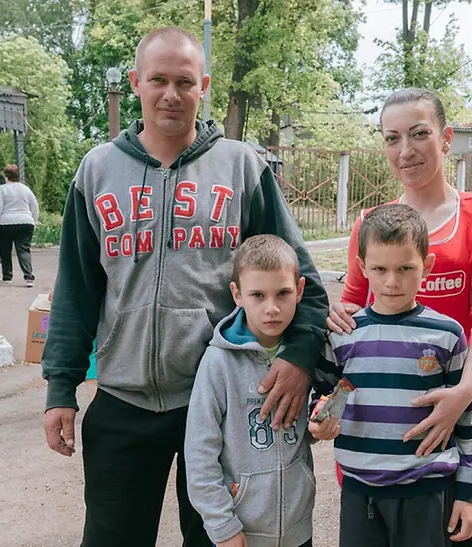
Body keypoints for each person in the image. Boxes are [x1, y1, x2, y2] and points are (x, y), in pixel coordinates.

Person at [40, 26, 328, 547]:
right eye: (158, 80)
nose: (171, 93)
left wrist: (302, 354)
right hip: (124, 404)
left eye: (184, 81)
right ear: (136, 82)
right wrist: (61, 387)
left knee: (225, 539)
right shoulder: (97, 170)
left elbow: (299, 278)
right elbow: (76, 291)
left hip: (222, 398)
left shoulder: (243, 168)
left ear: (204, 86)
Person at [327, 88, 472, 547]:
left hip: (459, 409)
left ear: (446, 138)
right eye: (392, 139)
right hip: (381, 428)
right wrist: (330, 314)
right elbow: (351, 306)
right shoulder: (371, 223)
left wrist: (463, 391)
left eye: (419, 134)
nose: (405, 151)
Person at [311, 204, 472, 546]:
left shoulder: (446, 335)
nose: (392, 281)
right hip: (360, 493)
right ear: (362, 268)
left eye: (406, 268)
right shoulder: (344, 332)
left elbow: (469, 418)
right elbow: (327, 394)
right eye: (379, 269)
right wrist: (318, 418)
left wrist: (467, 495)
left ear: (427, 265)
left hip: (427, 491)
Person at [185, 235, 315, 547]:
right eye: (258, 295)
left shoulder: (306, 355)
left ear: (299, 290)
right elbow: (199, 453)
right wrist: (223, 526)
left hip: (298, 530)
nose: (272, 308)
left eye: (282, 293)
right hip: (239, 532)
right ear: (237, 294)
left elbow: (333, 395)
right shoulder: (218, 362)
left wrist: (325, 420)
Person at [0, 164, 38, 288]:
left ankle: (7, 277)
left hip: (6, 223)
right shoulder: (26, 189)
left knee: (5, 250)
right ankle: (28, 277)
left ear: (6, 176)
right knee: (24, 249)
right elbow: (34, 206)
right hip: (25, 222)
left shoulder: (2, 189)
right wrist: (33, 220)